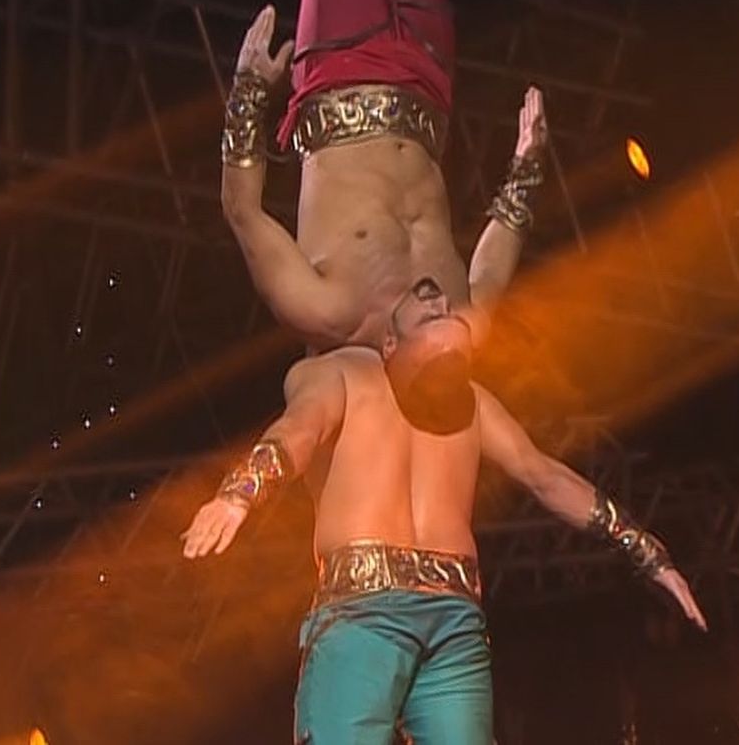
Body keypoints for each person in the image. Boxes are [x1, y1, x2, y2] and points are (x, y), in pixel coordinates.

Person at [181, 277, 708, 745]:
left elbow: (543, 475)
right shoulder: (341, 374)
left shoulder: (473, 403)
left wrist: (646, 551)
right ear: (389, 343)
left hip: (454, 625)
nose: (440, 303)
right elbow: (300, 429)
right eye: (427, 308)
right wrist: (241, 492)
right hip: (364, 617)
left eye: (446, 310)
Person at [220, 0, 546, 430]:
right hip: (426, 77)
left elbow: (242, 211)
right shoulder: (462, 323)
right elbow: (493, 260)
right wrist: (526, 166)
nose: (441, 305)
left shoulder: (325, 310)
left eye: (431, 322)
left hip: (337, 68)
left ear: (392, 346)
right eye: (451, 319)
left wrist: (249, 91)